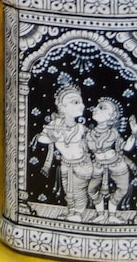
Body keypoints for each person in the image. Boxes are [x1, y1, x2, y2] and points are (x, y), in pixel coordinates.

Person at [34, 84, 92, 216]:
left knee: (79, 191)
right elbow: (41, 139)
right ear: (62, 106)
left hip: (83, 164)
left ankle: (78, 214)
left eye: (81, 102)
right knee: (68, 191)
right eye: (75, 102)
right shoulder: (54, 125)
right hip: (65, 164)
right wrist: (52, 137)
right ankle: (71, 212)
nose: (82, 105)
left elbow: (92, 142)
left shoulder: (81, 128)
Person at [85, 98, 137, 212]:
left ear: (111, 115)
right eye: (97, 107)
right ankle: (100, 214)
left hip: (116, 164)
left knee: (123, 189)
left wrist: (134, 132)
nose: (95, 109)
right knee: (91, 190)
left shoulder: (113, 133)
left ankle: (112, 214)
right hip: (98, 166)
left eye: (102, 108)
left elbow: (126, 147)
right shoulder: (89, 134)